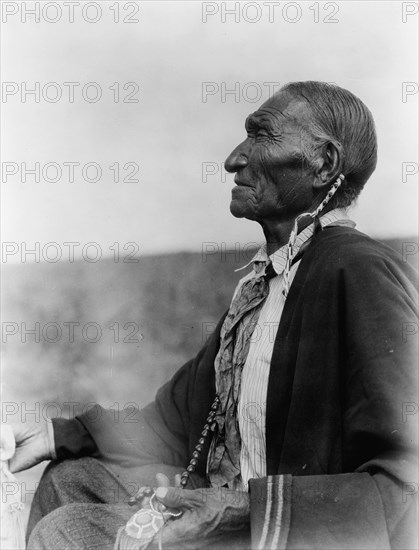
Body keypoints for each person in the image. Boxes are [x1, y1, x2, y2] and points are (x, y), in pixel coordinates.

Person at [10, 81, 418, 550]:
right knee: (69, 480)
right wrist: (57, 434)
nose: (233, 159)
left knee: (69, 531)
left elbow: (406, 479)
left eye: (261, 136)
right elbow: (174, 421)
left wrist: (238, 510)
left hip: (292, 534)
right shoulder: (266, 284)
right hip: (240, 512)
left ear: (324, 164)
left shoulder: (358, 271)